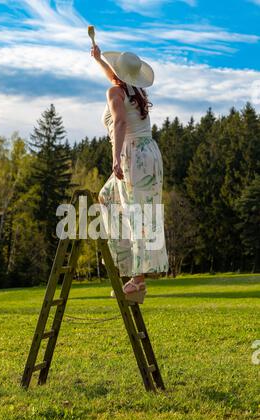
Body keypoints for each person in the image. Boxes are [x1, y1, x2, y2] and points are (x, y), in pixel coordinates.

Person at [91, 44, 169, 303]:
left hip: (133, 155)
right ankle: (133, 275)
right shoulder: (135, 90)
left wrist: (115, 158)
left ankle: (137, 281)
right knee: (113, 199)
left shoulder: (115, 92)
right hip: (149, 154)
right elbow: (114, 78)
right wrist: (99, 59)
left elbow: (121, 122)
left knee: (137, 214)